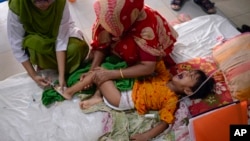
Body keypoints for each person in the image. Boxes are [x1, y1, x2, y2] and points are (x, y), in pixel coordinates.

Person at [62, 60, 215, 140]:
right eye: (189, 71)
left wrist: (146, 136)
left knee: (99, 74)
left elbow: (165, 122)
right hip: (124, 87)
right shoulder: (165, 76)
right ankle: (97, 96)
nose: (186, 73)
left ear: (188, 91)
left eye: (191, 77)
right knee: (104, 69)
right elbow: (156, 61)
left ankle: (69, 92)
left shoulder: (171, 99)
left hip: (121, 99)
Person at [81, 0, 178, 89]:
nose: (106, 28)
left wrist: (112, 74)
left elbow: (148, 67)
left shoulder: (146, 29)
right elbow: (102, 44)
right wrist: (91, 70)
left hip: (141, 58)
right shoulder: (106, 15)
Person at [7, 0, 89, 89]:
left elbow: (61, 39)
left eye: (49, 1)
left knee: (76, 49)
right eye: (37, 1)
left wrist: (61, 76)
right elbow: (16, 45)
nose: (44, 5)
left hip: (60, 35)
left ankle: (55, 66)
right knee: (37, 46)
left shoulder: (60, 2)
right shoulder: (18, 6)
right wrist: (34, 75)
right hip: (37, 38)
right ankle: (44, 64)